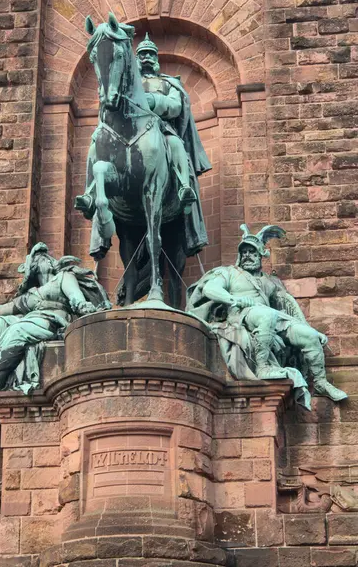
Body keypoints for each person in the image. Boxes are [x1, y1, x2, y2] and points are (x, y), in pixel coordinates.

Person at [186, 224, 347, 410]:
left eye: (252, 252)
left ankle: (320, 382)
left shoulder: (270, 282)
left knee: (309, 337)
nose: (247, 255)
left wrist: (310, 329)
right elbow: (210, 289)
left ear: (261, 255)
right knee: (266, 316)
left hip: (271, 316)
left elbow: (288, 306)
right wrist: (234, 299)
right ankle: (263, 367)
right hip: (242, 315)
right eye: (244, 252)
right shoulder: (228, 272)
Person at [0, 243, 111, 403]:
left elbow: (75, 295)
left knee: (17, 329)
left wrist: (81, 304)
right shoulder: (32, 295)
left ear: (52, 262)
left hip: (53, 321)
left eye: (43, 258)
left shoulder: (63, 277)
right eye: (36, 259)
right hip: (32, 319)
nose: (40, 260)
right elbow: (1, 310)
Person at [136, 33, 211, 210]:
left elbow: (175, 106)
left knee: (176, 144)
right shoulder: (128, 83)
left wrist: (153, 101)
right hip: (131, 129)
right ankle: (92, 193)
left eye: (150, 54)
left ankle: (184, 187)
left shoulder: (168, 83)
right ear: (136, 58)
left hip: (161, 128)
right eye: (142, 54)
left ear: (156, 58)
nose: (147, 57)